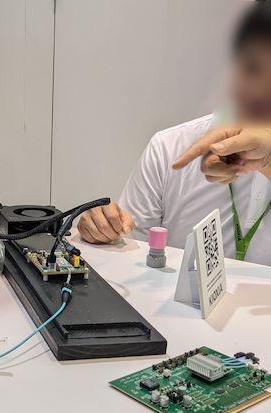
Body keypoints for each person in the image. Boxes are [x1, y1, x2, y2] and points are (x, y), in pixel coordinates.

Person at [77, 2, 271, 266]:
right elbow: (128, 252)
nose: (262, 89)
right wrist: (103, 232)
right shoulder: (169, 148)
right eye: (253, 68)